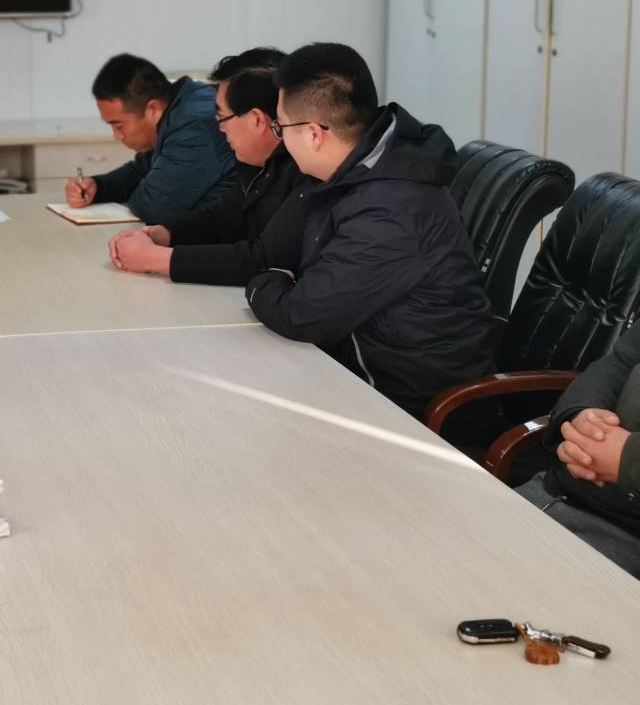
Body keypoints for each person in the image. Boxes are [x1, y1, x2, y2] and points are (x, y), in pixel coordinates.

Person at [244, 42, 497, 420]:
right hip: (361, 375)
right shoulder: (361, 170)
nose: (280, 138)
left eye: (281, 127)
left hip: (415, 411)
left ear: (313, 133)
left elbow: (302, 315)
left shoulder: (388, 208)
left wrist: (264, 282)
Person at [107, 47, 307, 284]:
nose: (220, 128)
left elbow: (265, 260)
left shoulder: (306, 171)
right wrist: (165, 234)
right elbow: (225, 217)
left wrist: (156, 258)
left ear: (256, 120)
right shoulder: (258, 162)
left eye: (222, 117)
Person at [514, 322, 640, 578]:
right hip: (560, 491)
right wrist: (583, 414)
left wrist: (627, 461)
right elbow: (618, 363)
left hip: (627, 536)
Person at [63, 53, 235, 223]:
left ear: (153, 109)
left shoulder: (193, 124)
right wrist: (98, 187)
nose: (117, 136)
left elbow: (153, 207)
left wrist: (143, 192)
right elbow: (142, 170)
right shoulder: (179, 106)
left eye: (119, 126)